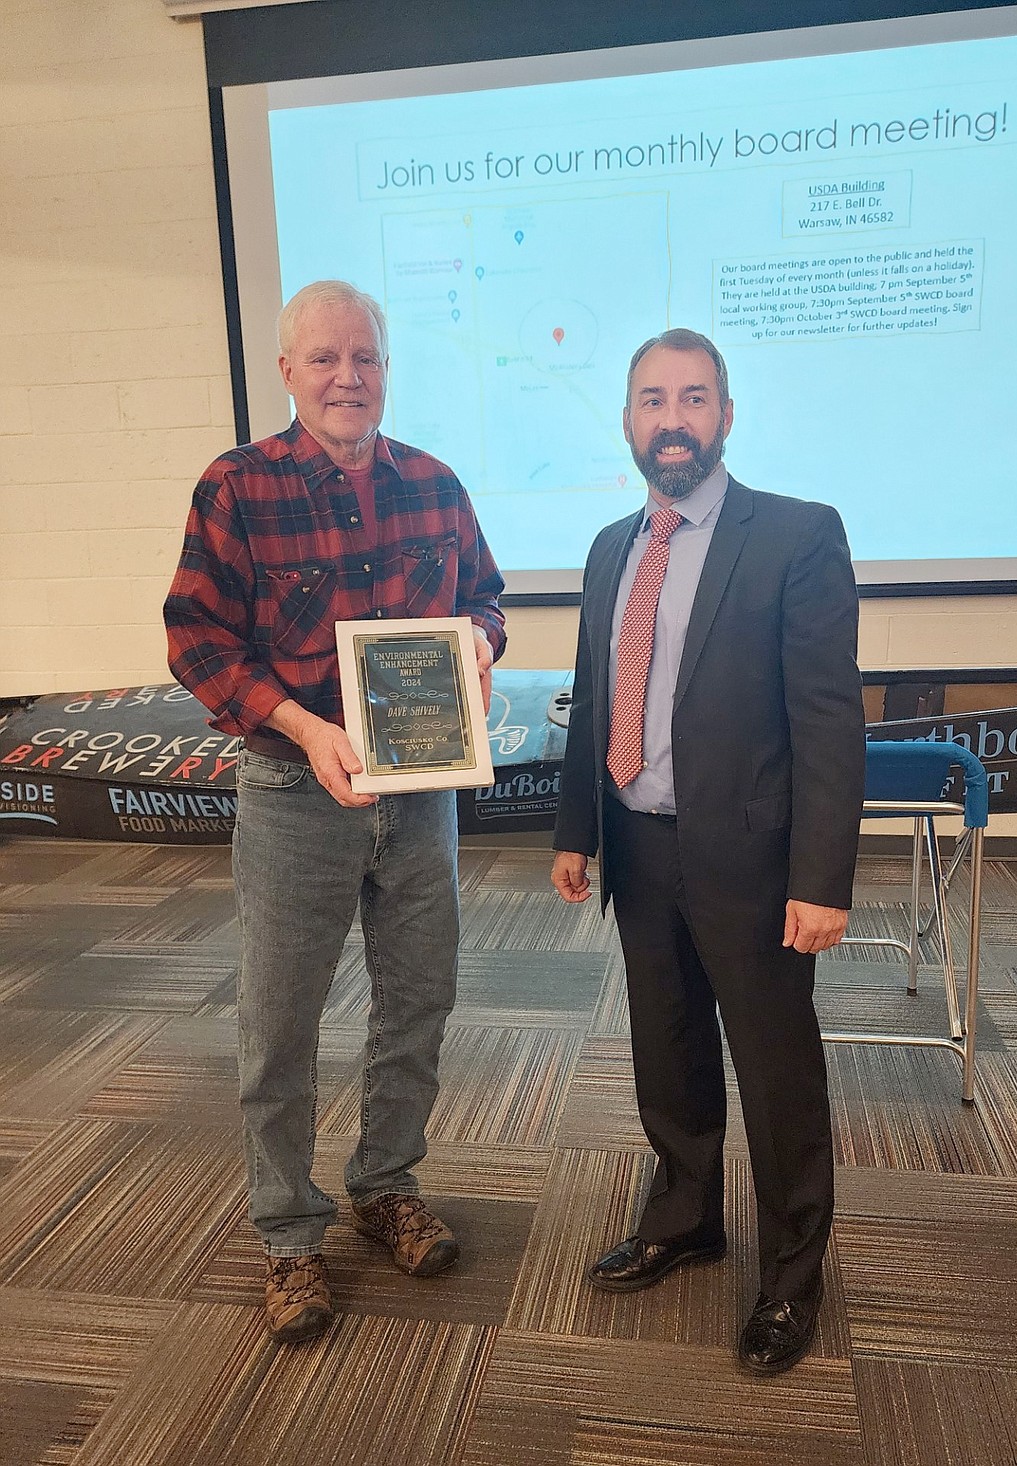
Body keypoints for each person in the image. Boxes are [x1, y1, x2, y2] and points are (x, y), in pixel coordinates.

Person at [164, 280, 505, 1343]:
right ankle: (287, 1233)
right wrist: (307, 730)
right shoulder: (235, 486)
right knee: (278, 1018)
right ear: (286, 371)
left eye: (364, 356)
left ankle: (383, 1181)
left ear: (386, 368)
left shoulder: (435, 484)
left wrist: (480, 647)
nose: (346, 376)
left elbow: (487, 594)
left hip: (418, 796)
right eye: (324, 359)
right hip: (289, 789)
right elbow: (196, 639)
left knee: (418, 996)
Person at [551, 328, 865, 1375]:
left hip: (753, 862)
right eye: (651, 399)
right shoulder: (609, 547)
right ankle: (684, 1214)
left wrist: (821, 878)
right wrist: (573, 832)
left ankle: (790, 1274)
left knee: (776, 1076)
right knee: (666, 1047)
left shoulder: (794, 534)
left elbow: (826, 719)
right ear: (628, 419)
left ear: (723, 416)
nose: (671, 418)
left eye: (692, 398)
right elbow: (594, 696)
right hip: (637, 850)